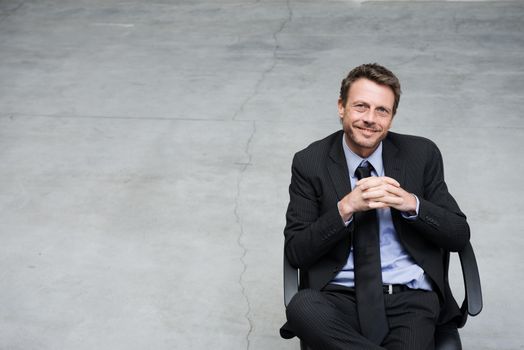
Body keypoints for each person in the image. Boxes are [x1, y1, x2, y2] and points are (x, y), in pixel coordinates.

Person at [280, 63, 470, 350]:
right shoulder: (310, 162)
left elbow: (458, 234)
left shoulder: (421, 154)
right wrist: (345, 208)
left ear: (392, 118)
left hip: (409, 298)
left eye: (382, 110)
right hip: (337, 296)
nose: (370, 119)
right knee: (302, 306)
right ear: (341, 107)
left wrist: (411, 204)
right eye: (360, 106)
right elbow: (296, 251)